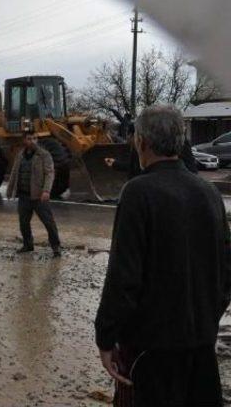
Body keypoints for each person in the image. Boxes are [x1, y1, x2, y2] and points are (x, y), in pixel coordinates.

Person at [95, 105, 231, 406]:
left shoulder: (137, 193)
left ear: (141, 142)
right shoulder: (209, 194)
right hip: (201, 348)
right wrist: (207, 321)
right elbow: (226, 272)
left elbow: (123, 278)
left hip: (151, 351)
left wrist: (105, 337)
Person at [6, 130, 61, 257]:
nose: (32, 141)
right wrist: (10, 190)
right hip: (24, 195)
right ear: (24, 140)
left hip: (39, 196)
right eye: (30, 138)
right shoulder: (20, 155)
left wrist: (46, 190)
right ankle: (28, 244)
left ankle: (56, 247)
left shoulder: (44, 155)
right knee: (24, 223)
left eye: (35, 138)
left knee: (49, 222)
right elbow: (14, 172)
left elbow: (49, 173)